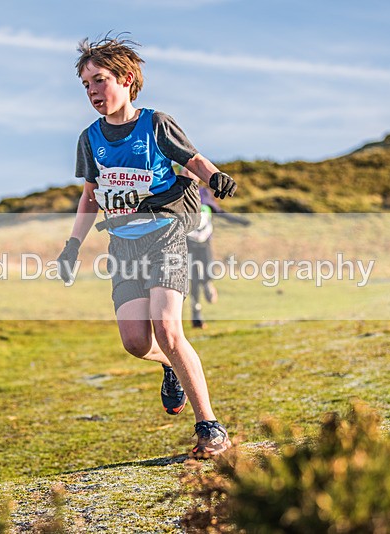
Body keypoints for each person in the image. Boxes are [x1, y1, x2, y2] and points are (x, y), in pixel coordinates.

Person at [56, 34, 238, 459]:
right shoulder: (90, 139)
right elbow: (90, 196)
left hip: (164, 234)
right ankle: (168, 364)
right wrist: (72, 246)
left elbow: (192, 159)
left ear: (126, 79)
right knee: (136, 342)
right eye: (86, 85)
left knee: (168, 329)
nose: (92, 91)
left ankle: (210, 427)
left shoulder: (155, 124)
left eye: (99, 80)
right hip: (123, 246)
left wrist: (214, 177)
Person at [181, 167, 251, 329]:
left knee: (207, 271)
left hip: (204, 242)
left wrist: (240, 221)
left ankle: (207, 283)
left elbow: (218, 211)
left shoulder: (204, 193)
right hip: (187, 244)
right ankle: (196, 317)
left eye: (191, 172)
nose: (189, 174)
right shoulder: (177, 194)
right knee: (193, 280)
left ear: (198, 177)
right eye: (185, 172)